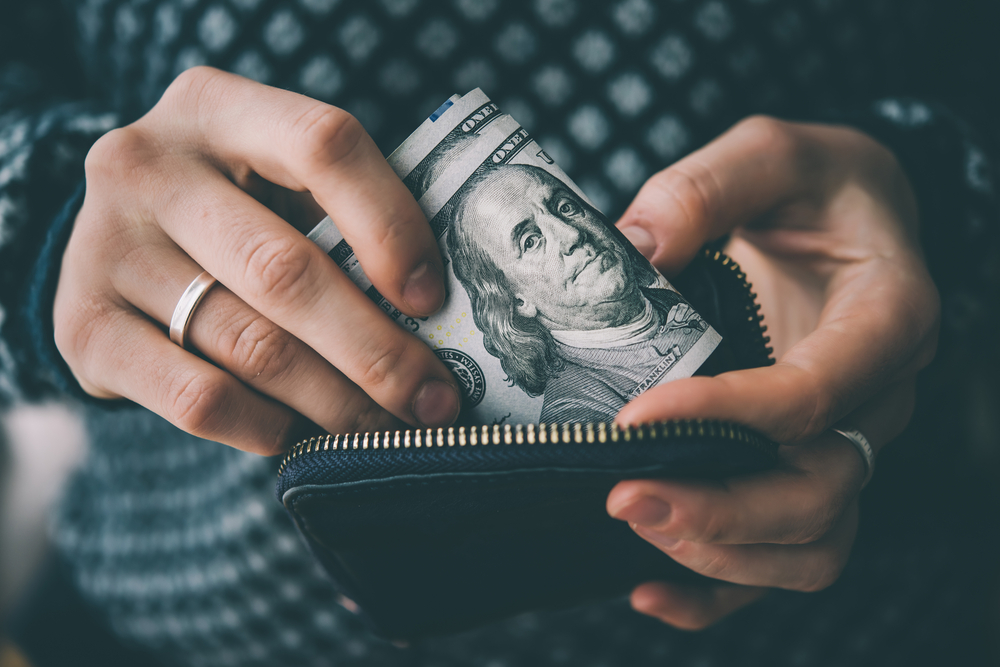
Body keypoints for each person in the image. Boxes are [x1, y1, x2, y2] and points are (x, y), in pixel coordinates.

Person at [0, 0, 997, 665]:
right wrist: (52, 243)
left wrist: (931, 184)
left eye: (557, 218)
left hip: (874, 615)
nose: (572, 236)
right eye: (528, 234)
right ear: (500, 291)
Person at [448, 163, 710, 422]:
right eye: (530, 241)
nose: (572, 234)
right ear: (517, 300)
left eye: (565, 207)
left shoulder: (680, 293)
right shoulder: (577, 416)